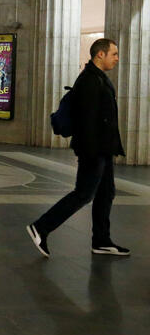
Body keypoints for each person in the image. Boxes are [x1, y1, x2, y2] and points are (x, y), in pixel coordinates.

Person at [27, 38, 129, 258]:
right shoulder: (90, 80)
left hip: (103, 148)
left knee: (106, 193)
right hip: (93, 149)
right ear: (100, 55)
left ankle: (101, 240)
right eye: (114, 54)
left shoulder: (98, 78)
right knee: (83, 193)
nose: (117, 59)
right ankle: (41, 227)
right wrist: (91, 152)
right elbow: (87, 120)